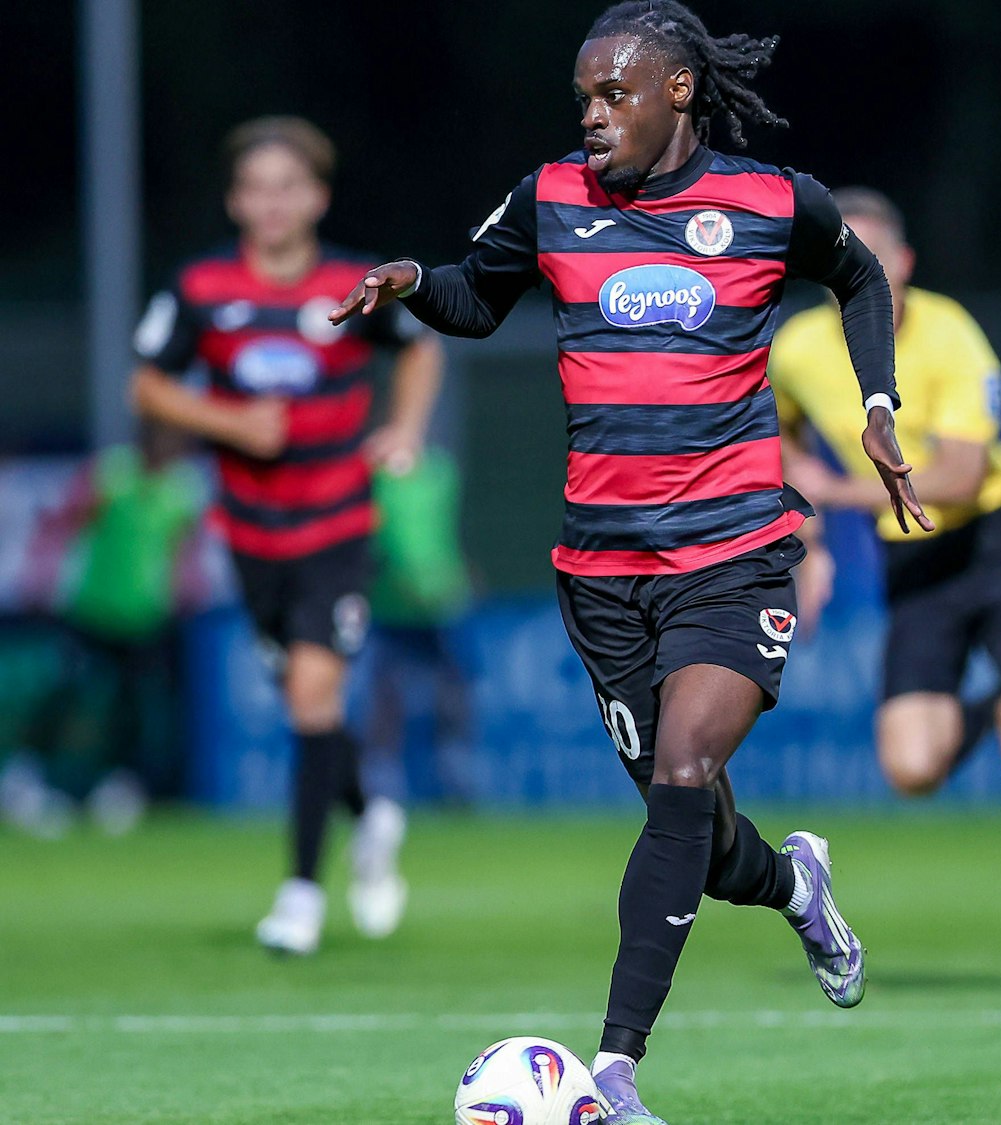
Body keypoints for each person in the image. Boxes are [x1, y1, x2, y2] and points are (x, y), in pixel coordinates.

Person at [328, 5, 928, 1121]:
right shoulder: (554, 195)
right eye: (584, 101)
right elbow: (477, 294)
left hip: (736, 553)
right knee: (696, 840)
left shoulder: (771, 200)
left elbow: (859, 279)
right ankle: (796, 885)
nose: (593, 117)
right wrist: (415, 281)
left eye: (614, 96)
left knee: (684, 775)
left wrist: (876, 404)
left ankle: (615, 1075)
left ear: (680, 92)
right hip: (600, 573)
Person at [769, 186, 1001, 995]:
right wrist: (813, 537)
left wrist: (836, 491)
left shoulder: (951, 334)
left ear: (904, 264)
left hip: (997, 544)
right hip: (916, 564)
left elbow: (963, 477)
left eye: (873, 261)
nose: (859, 275)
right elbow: (775, 431)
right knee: (911, 766)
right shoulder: (797, 347)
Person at [130, 116, 443, 955]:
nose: (272, 202)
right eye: (257, 187)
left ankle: (301, 893)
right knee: (307, 707)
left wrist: (405, 429)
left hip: (337, 521)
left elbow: (418, 350)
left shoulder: (350, 282)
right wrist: (225, 416)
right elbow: (150, 386)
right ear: (236, 199)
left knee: (312, 695)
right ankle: (372, 810)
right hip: (249, 532)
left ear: (317, 197)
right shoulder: (201, 288)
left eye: (288, 186)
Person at [9, 423, 205, 836]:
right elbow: (65, 524)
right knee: (67, 695)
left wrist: (185, 587)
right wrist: (41, 576)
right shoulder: (113, 475)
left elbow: (184, 549)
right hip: (93, 608)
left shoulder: (183, 490)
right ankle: (28, 777)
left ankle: (119, 787)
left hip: (143, 617)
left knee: (133, 705)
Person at [363, 447, 476, 806]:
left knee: (453, 698)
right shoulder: (368, 477)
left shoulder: (441, 473)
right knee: (386, 699)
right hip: (389, 607)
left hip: (439, 605)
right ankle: (381, 784)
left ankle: (456, 778)